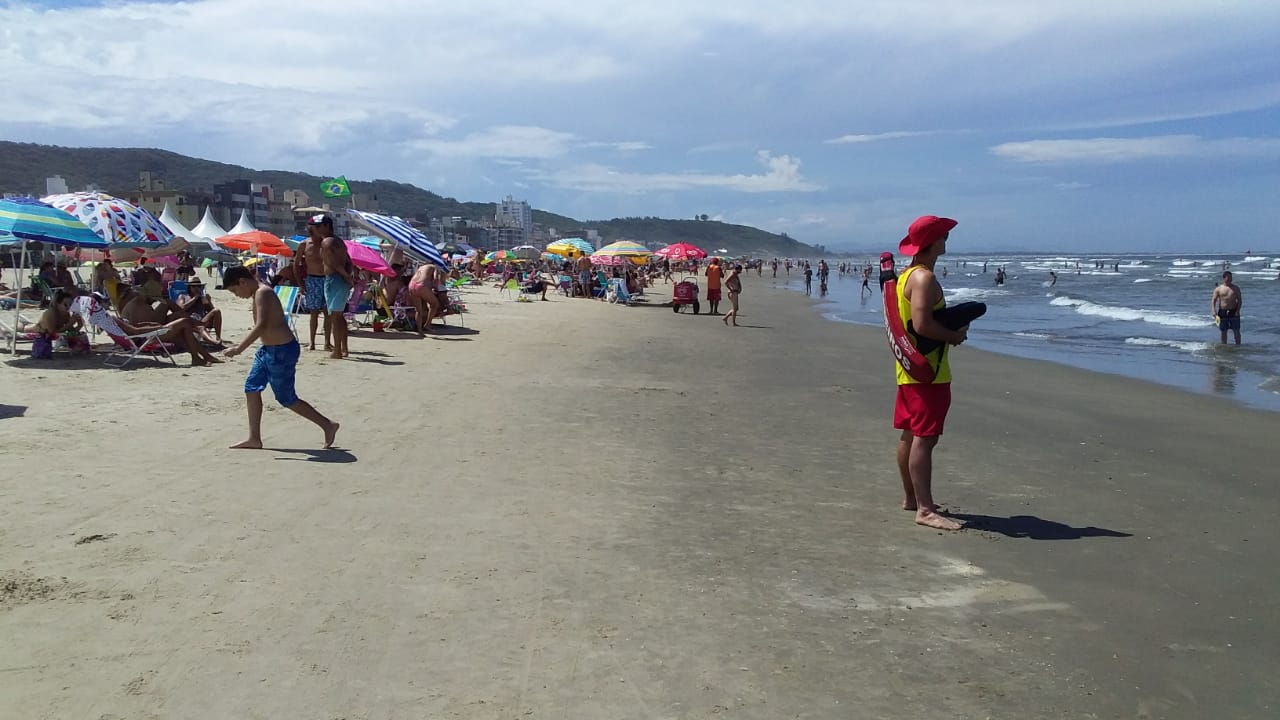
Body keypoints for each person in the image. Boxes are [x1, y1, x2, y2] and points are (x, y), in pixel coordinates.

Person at [892, 215, 968, 532]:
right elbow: (922, 326)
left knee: (910, 434)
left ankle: (912, 498)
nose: (947, 239)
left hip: (910, 368)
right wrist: (954, 336)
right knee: (925, 438)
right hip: (928, 372)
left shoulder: (906, 275)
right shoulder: (923, 278)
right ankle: (924, 509)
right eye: (943, 235)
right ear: (934, 242)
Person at [222, 266, 339, 450]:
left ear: (242, 282)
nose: (237, 295)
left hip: (281, 351)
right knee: (251, 388)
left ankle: (327, 425)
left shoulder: (263, 293)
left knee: (286, 398)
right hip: (267, 350)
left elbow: (261, 325)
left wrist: (239, 349)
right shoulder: (258, 293)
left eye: (235, 291)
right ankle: (254, 438)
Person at [111, 286, 223, 367]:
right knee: (184, 322)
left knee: (184, 328)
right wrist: (157, 327)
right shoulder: (131, 310)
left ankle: (199, 357)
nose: (154, 300)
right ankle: (200, 355)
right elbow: (135, 330)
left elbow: (136, 325)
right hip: (145, 339)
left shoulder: (132, 308)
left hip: (146, 335)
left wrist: (152, 325)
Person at [296, 214, 332, 351]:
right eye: (315, 227)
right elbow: (296, 265)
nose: (317, 229)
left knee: (328, 313)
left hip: (327, 279)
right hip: (312, 279)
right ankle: (312, 342)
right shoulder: (305, 244)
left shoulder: (327, 243)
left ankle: (327, 342)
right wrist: (300, 283)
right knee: (314, 313)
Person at [321, 229, 355, 359]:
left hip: (335, 279)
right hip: (339, 279)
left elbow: (334, 263)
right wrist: (348, 276)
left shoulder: (327, 242)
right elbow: (348, 261)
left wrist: (347, 276)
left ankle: (337, 351)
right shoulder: (339, 242)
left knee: (335, 316)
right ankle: (343, 348)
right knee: (339, 316)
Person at [407, 263, 443, 335]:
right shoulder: (434, 267)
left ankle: (419, 330)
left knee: (418, 310)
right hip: (422, 286)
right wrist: (436, 288)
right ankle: (427, 324)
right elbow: (436, 278)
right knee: (435, 304)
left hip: (412, 285)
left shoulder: (421, 267)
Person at [1211, 270, 1243, 345]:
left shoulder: (1236, 288)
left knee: (1236, 330)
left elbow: (1240, 300)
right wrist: (1214, 311)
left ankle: (1238, 346)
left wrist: (1238, 310)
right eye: (1228, 278)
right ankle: (1224, 346)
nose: (1230, 279)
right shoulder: (1218, 289)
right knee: (1223, 331)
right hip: (1222, 312)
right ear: (1224, 278)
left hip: (1233, 311)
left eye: (1231, 278)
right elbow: (1213, 301)